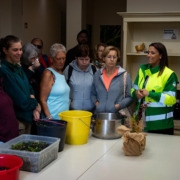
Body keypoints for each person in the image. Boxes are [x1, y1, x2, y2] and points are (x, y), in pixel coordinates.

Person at [131, 42, 178, 135]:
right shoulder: (142, 70)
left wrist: (150, 94)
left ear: (160, 56)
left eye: (153, 53)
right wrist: (136, 93)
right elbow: (132, 90)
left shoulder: (169, 74)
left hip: (161, 125)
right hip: (140, 122)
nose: (149, 55)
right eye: (148, 52)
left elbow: (171, 99)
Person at [0, 35, 41, 135]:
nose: (19, 53)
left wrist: (32, 100)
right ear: (5, 50)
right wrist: (35, 103)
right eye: (15, 50)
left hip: (28, 118)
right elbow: (21, 101)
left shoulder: (18, 66)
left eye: (20, 49)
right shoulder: (4, 71)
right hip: (18, 121)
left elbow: (29, 87)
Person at [91, 46, 133, 114]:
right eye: (109, 57)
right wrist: (97, 104)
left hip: (117, 115)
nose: (112, 59)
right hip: (100, 115)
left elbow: (130, 97)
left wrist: (118, 106)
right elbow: (93, 94)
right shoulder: (97, 75)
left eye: (114, 57)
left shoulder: (124, 75)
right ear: (104, 58)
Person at [40, 43, 70, 120]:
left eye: (64, 58)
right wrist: (49, 118)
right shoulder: (48, 73)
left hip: (62, 119)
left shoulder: (61, 73)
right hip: (52, 119)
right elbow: (42, 99)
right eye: (58, 59)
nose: (62, 61)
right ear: (51, 59)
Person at [63, 44, 96, 112]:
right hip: (73, 110)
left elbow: (99, 89)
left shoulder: (94, 70)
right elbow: (62, 88)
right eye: (81, 59)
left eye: (87, 59)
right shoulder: (69, 69)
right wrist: (69, 102)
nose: (84, 62)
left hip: (91, 111)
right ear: (76, 58)